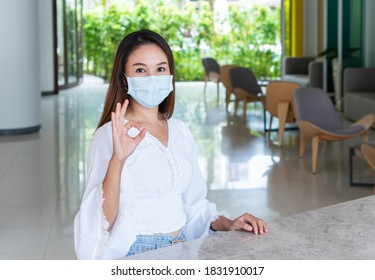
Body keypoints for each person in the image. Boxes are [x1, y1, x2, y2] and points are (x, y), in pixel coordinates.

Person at [74, 29, 268, 260]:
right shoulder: (109, 135)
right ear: (124, 79)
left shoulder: (179, 130)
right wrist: (118, 161)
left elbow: (193, 205)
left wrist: (228, 223)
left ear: (170, 75)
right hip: (136, 254)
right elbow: (100, 224)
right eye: (140, 70)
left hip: (182, 249)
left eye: (160, 69)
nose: (152, 77)